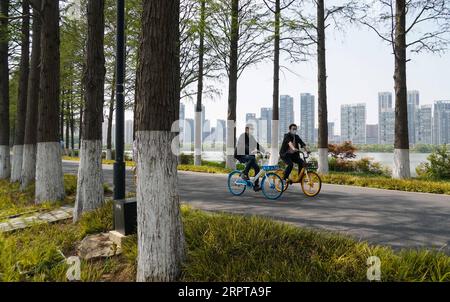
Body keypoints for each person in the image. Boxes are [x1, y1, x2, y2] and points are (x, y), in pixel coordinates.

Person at [234, 124, 265, 192]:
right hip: (240, 155)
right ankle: (244, 173)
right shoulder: (242, 136)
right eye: (251, 129)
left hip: (248, 155)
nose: (252, 130)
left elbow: (257, 145)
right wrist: (251, 151)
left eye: (253, 129)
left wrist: (264, 151)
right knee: (251, 158)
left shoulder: (251, 137)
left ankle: (256, 186)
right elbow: (244, 146)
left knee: (257, 168)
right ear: (246, 129)